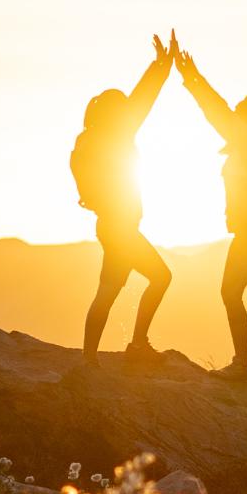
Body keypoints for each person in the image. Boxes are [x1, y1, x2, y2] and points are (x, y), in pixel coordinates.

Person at [173, 43, 247, 383]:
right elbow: (221, 112)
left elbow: (217, 112)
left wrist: (192, 78)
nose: (234, 114)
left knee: (232, 292)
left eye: (240, 111)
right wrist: (192, 78)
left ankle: (244, 364)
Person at [73, 34, 178, 363]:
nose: (128, 111)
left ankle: (90, 358)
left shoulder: (87, 142)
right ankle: (136, 346)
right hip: (121, 228)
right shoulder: (114, 136)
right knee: (161, 277)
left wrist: (159, 66)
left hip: (110, 226)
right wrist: (161, 66)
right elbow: (143, 99)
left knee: (108, 291)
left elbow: (139, 99)